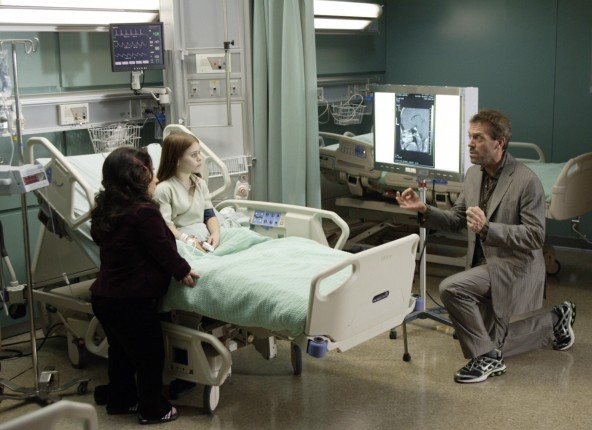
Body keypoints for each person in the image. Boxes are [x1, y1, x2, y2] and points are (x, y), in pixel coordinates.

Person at [395, 109, 576, 384]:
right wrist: (424, 209)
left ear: (499, 142)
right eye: (470, 137)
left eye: (478, 138)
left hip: (513, 268)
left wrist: (488, 229)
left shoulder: (526, 181)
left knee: (452, 288)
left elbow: (535, 236)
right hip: (483, 266)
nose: (470, 143)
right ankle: (555, 319)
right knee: (494, 342)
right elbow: (456, 219)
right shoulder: (473, 175)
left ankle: (486, 358)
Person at [90, 146, 200, 424]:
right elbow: (161, 248)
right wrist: (182, 270)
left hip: (104, 297)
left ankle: (121, 399)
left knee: (120, 352)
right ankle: (153, 409)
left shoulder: (106, 210)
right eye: (151, 172)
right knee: (150, 356)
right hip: (132, 301)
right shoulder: (144, 213)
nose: (156, 178)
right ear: (139, 176)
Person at [154, 131, 220, 253]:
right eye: (194, 155)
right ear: (177, 160)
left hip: (206, 236)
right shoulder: (164, 190)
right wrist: (187, 240)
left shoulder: (199, 183)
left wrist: (215, 234)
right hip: (181, 240)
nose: (200, 158)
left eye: (199, 153)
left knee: (245, 236)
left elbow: (209, 214)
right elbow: (166, 226)